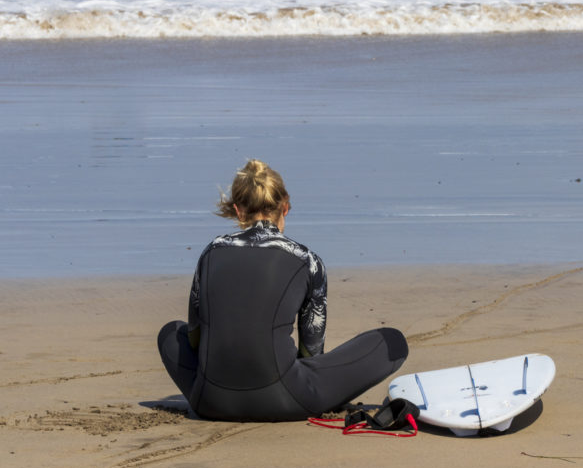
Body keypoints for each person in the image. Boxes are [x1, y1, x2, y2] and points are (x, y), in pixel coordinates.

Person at [157, 159, 407, 421]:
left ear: (238, 211)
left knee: (170, 333)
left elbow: (195, 339)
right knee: (391, 341)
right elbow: (311, 351)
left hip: (209, 401)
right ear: (285, 207)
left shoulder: (211, 252)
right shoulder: (307, 260)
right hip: (287, 401)